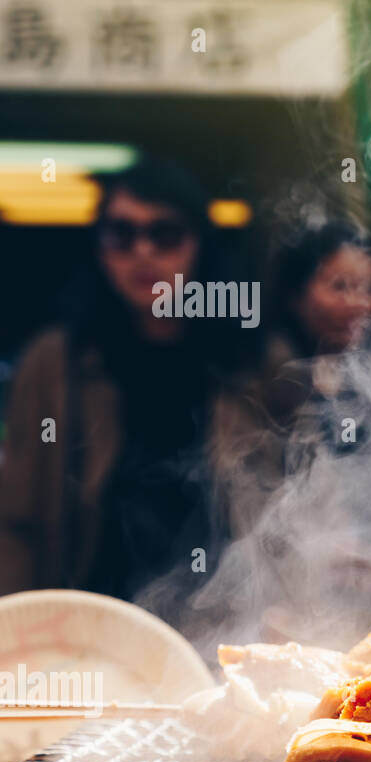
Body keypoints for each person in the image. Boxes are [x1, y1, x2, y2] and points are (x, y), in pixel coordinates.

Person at [0, 158, 258, 613]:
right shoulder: (56, 360)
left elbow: (288, 506)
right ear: (100, 248)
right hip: (91, 619)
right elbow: (20, 519)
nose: (142, 252)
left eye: (164, 234)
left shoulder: (250, 358)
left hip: (224, 619)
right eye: (121, 234)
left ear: (199, 244)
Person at [211, 220, 371, 538]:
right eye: (341, 286)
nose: (360, 303)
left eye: (368, 288)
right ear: (295, 294)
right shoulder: (257, 380)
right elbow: (247, 505)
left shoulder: (363, 375)